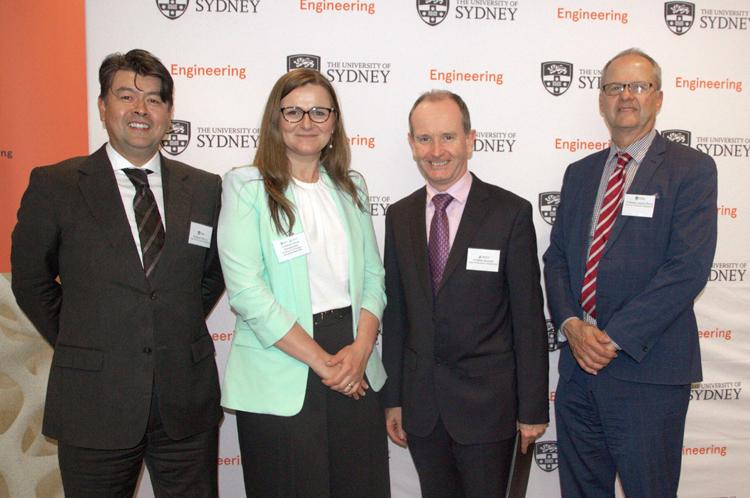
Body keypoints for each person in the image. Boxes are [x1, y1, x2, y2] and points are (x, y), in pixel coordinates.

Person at [11, 49, 225, 497]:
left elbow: (211, 275)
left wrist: (169, 321)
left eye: (153, 99)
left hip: (184, 403)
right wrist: (82, 335)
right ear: (103, 106)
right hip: (94, 400)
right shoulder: (57, 185)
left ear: (169, 112)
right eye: (126, 95)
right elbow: (31, 281)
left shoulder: (205, 189)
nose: (140, 110)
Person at [544, 48, 717, 497]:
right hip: (579, 373)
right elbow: (557, 258)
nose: (626, 96)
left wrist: (612, 338)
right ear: (601, 100)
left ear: (658, 98)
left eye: (638, 86)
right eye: (614, 87)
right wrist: (571, 326)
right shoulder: (579, 174)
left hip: (649, 374)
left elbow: (688, 269)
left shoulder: (691, 170)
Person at [218, 68, 390, 497]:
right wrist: (322, 361)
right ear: (275, 120)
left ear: (334, 124)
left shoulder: (353, 187)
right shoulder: (246, 187)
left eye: (319, 111)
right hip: (285, 360)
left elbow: (373, 276)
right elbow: (246, 292)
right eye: (293, 111)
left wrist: (360, 350)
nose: (307, 122)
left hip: (354, 359)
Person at [381, 90, 549, 498]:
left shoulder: (509, 213)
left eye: (448, 137)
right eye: (424, 139)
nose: (436, 151)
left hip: (489, 411)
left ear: (470, 140)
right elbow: (397, 316)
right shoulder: (399, 216)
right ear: (411, 144)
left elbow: (528, 319)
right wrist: (394, 398)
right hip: (423, 411)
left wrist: (532, 410)